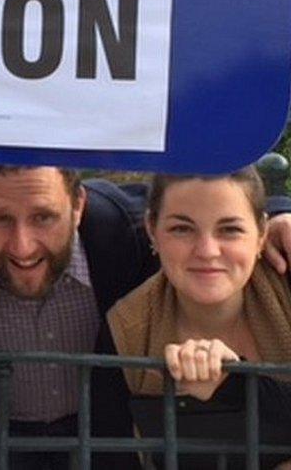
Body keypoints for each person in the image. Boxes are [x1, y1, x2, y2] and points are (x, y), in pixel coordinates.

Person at [0, 165, 291, 469]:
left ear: (79, 206)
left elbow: (207, 199)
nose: (22, 244)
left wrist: (279, 211)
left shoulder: (120, 229)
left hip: (89, 432)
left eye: (44, 217)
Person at [106, 168, 291, 469]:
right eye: (182, 229)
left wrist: (235, 385)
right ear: (152, 231)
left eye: (230, 229)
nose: (207, 251)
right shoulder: (126, 328)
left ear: (261, 235)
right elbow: (109, 456)